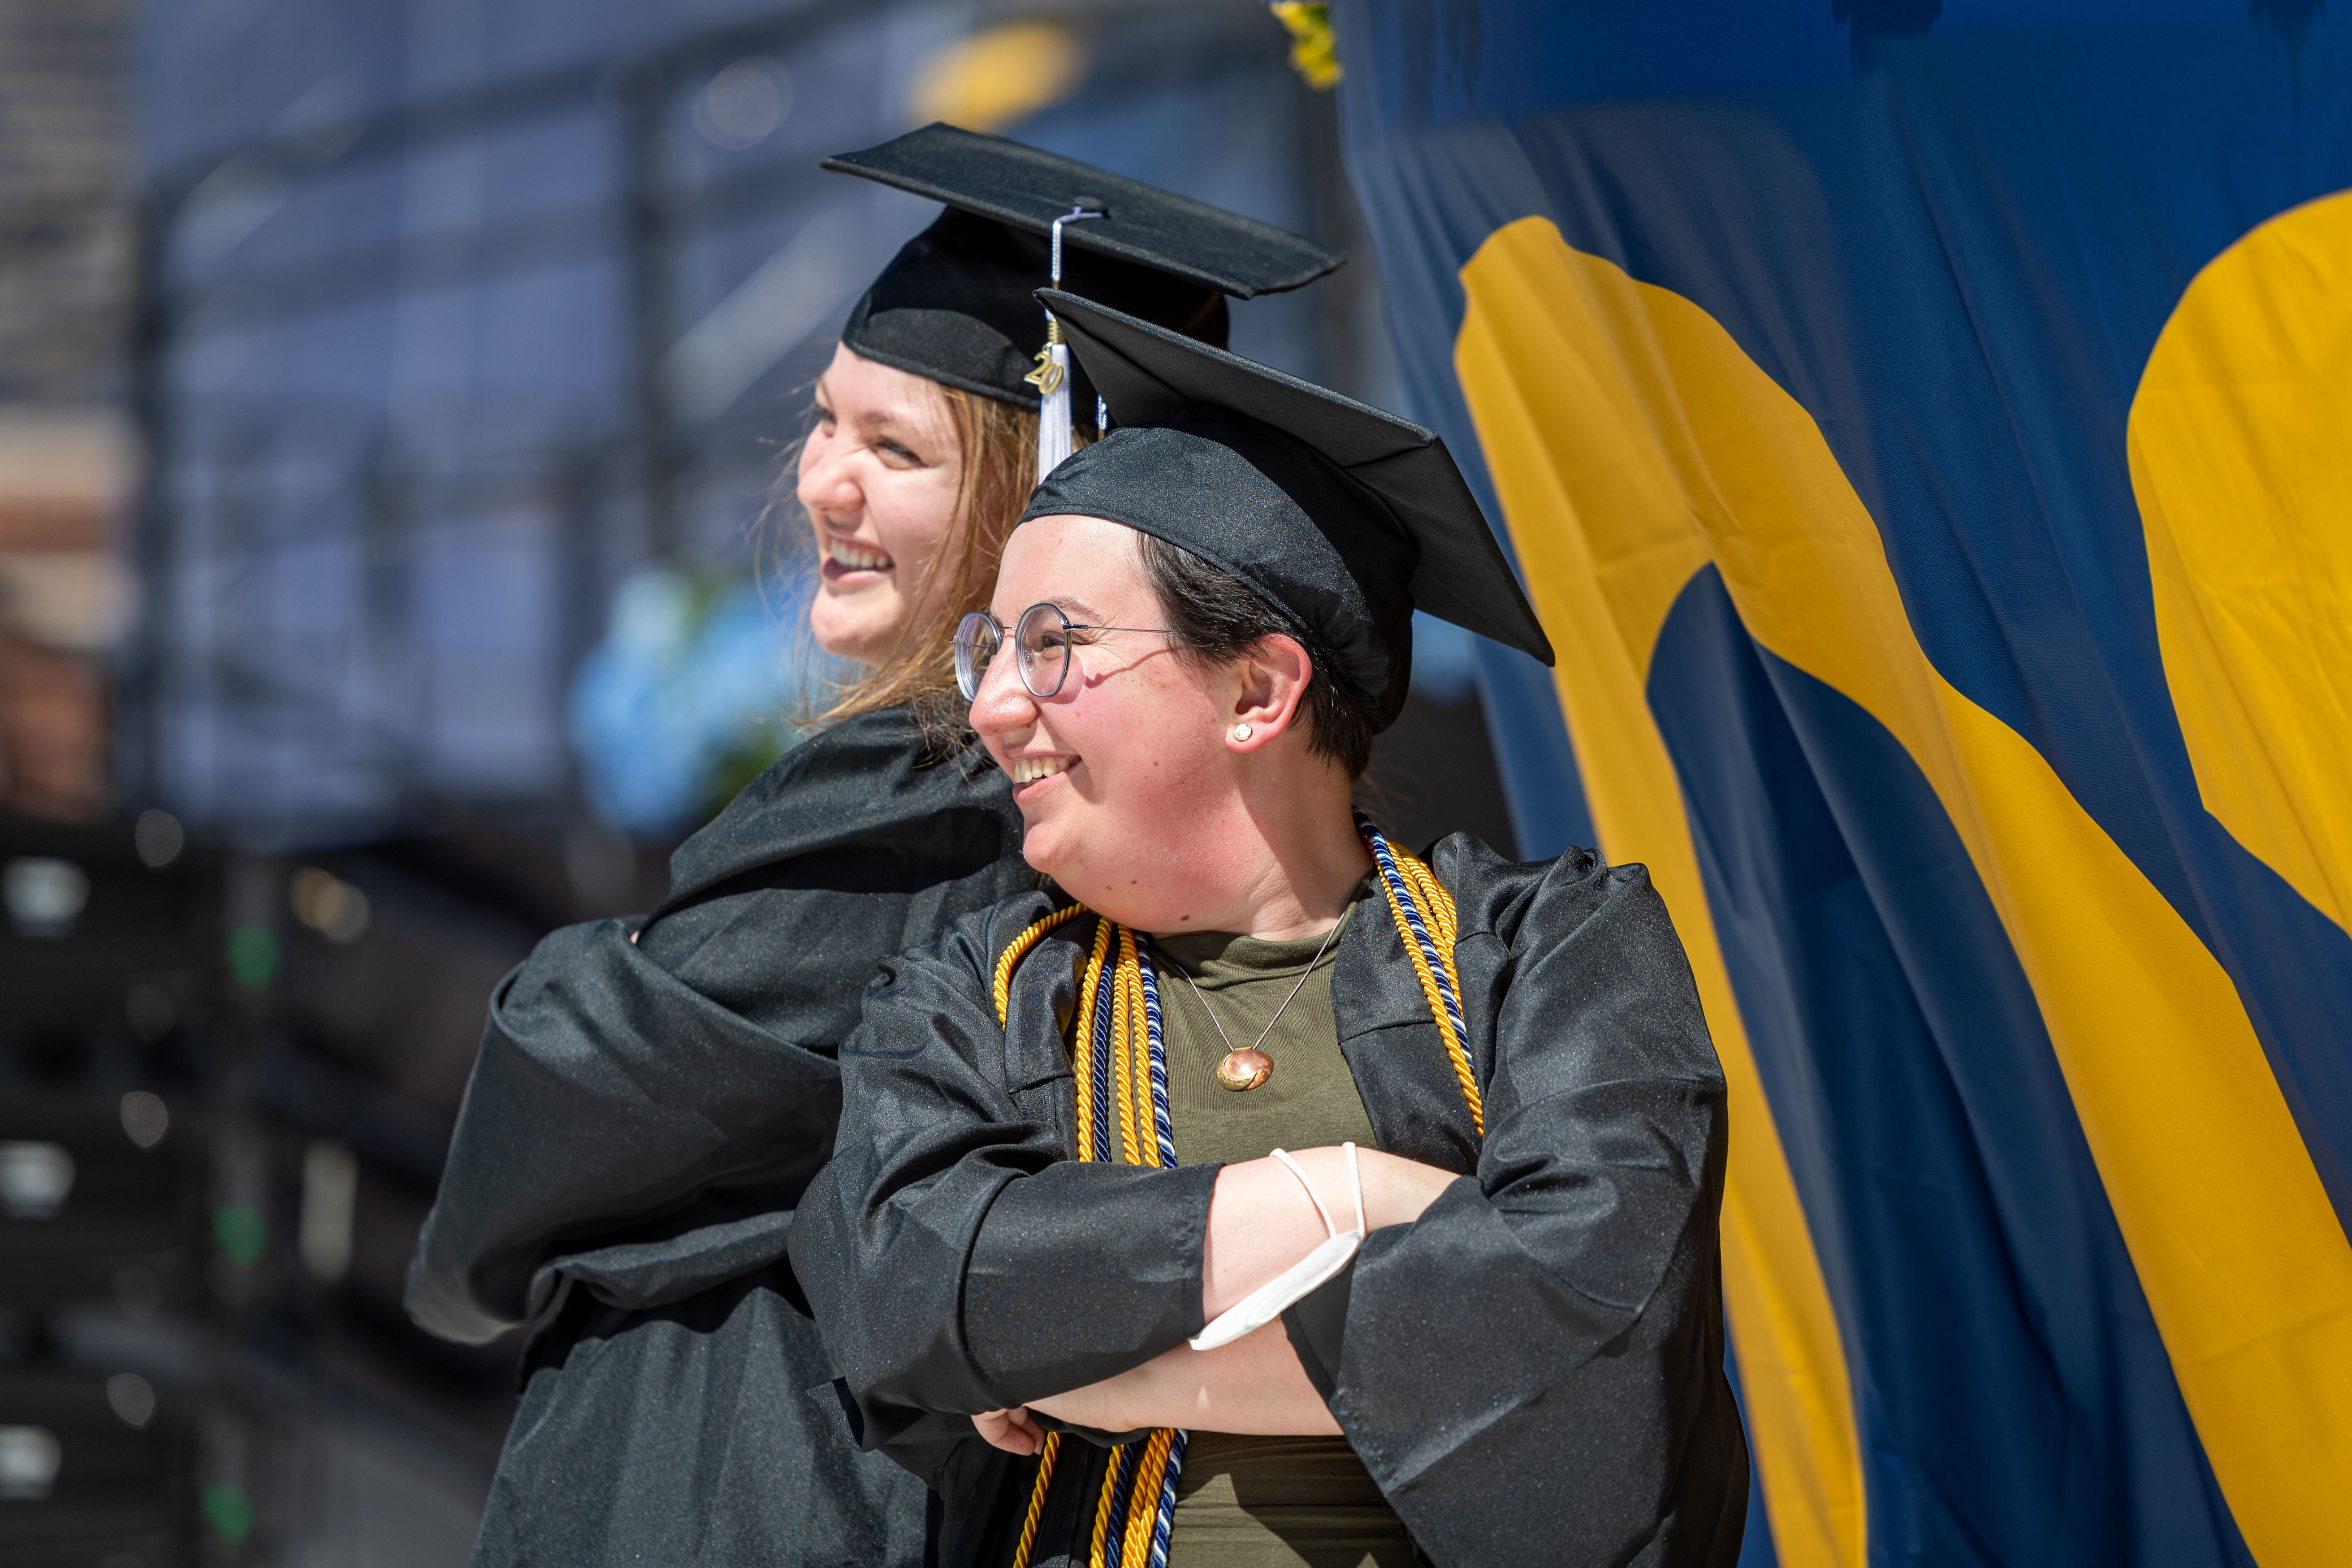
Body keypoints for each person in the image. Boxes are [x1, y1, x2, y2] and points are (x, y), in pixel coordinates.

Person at [404, 128, 1341, 1568]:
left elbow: (589, 1070)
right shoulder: (1070, 799)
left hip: (745, 1470)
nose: (823, 482)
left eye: (896, 448)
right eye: (827, 423)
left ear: (1040, 493)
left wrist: (563, 1008)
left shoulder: (949, 791)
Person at [790, 291, 1751, 1568]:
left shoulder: (1551, 955)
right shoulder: (981, 993)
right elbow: (919, 1282)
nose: (997, 706)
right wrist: (1344, 1198)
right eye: (989, 649)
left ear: (1258, 689)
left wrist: (1106, 1375)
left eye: (1054, 643)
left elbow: (1591, 1322)